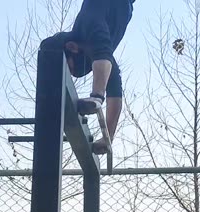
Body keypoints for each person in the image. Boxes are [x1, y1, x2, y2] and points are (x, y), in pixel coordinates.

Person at [40, 0, 135, 155]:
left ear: (72, 47)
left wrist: (96, 97)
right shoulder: (102, 57)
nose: (73, 72)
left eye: (68, 66)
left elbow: (102, 50)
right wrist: (108, 137)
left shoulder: (87, 23)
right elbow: (115, 91)